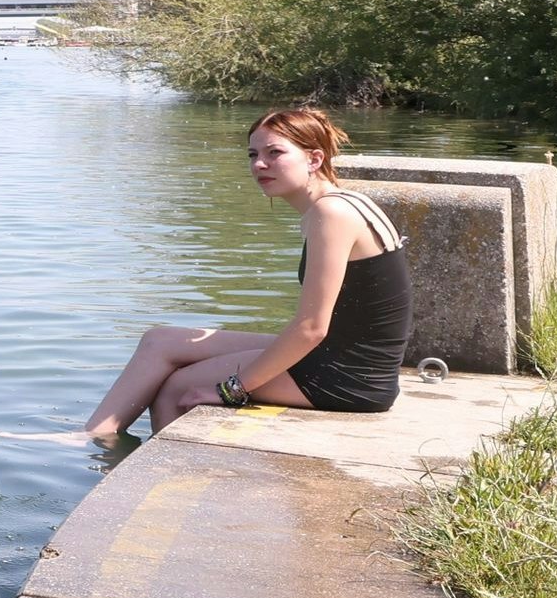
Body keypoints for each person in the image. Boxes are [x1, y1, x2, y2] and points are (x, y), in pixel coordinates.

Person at [77, 105, 410, 438]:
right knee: (160, 341)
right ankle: (93, 436)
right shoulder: (344, 202)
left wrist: (231, 390)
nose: (259, 164)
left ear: (314, 159)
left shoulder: (332, 213)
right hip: (339, 357)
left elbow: (311, 328)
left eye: (274, 153)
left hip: (351, 376)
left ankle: (172, 484)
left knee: (179, 389)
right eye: (253, 154)